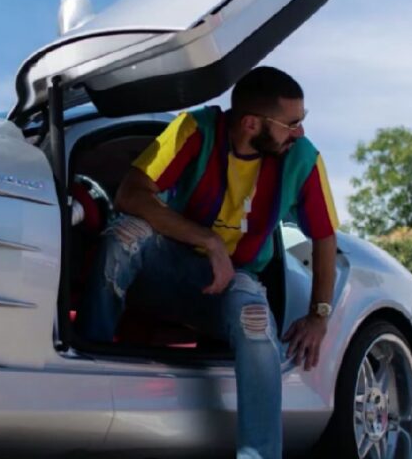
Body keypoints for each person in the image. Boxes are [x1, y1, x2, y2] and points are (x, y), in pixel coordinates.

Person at [76, 65, 339, 459]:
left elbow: (324, 237)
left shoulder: (303, 158)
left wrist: (319, 314)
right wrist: (209, 241)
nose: (299, 132)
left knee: (254, 319)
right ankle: (91, 378)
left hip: (232, 286)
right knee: (124, 235)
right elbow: (131, 194)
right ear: (252, 123)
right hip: (167, 267)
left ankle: (259, 455)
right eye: (292, 123)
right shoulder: (193, 130)